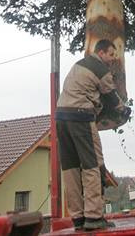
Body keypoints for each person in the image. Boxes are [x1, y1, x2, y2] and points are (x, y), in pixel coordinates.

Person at [56, 39, 131, 230]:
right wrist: (124, 110)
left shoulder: (78, 65)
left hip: (61, 118)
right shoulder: (99, 68)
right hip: (81, 117)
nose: (112, 60)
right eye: (111, 55)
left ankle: (78, 218)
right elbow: (111, 96)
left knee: (70, 168)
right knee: (93, 165)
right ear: (102, 52)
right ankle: (94, 217)